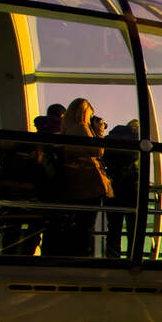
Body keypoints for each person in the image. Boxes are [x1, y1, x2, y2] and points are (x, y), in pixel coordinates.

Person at [50, 98, 112, 257]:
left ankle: (74, 253)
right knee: (86, 224)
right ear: (84, 112)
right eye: (90, 114)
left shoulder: (67, 128)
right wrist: (99, 131)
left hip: (74, 182)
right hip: (88, 184)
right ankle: (83, 255)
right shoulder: (81, 128)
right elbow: (97, 151)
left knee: (76, 222)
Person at [102, 119, 139, 258]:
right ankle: (133, 258)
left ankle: (112, 259)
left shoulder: (110, 139)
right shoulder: (136, 140)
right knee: (133, 228)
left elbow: (103, 159)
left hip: (113, 187)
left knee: (114, 228)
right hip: (132, 188)